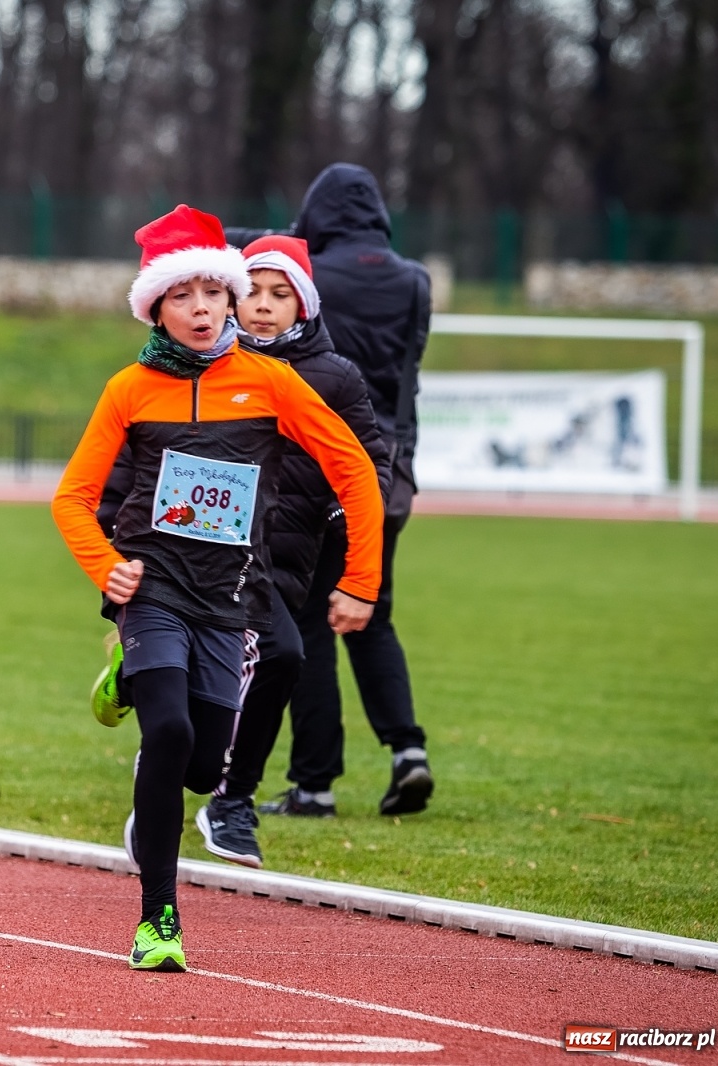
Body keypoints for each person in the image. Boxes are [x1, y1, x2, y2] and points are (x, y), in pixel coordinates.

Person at [52, 205, 383, 972]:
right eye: (182, 297)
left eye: (213, 294)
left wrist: (360, 582)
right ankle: (157, 920)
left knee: (203, 768)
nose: (202, 310)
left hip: (232, 599)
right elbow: (71, 496)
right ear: (156, 307)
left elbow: (355, 472)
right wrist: (108, 567)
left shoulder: (270, 382)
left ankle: (127, 680)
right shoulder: (128, 389)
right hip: (154, 588)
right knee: (167, 737)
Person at [229, 164, 435, 818]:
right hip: (390, 463)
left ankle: (314, 782)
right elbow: (410, 367)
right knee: (373, 610)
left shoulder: (309, 272)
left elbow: (258, 251)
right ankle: (407, 750)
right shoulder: (413, 281)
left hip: (316, 464)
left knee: (308, 623)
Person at [193, 236, 391, 866]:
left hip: (283, 558)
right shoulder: (196, 363)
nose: (263, 306)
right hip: (201, 554)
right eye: (252, 291)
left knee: (280, 656)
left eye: (282, 295)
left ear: (304, 306)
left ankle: (230, 797)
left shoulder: (333, 377)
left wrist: (338, 519)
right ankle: (206, 787)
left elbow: (369, 466)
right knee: (228, 662)